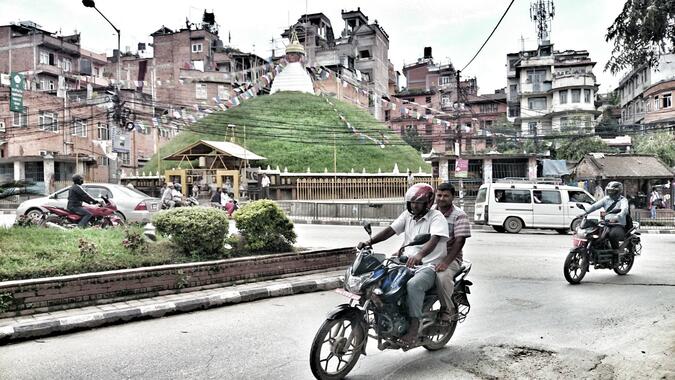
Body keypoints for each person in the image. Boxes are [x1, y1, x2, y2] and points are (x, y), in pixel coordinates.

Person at [357, 183, 449, 345]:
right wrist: (369, 241)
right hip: (405, 262)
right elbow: (390, 230)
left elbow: (434, 240)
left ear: (428, 203)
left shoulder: (436, 217)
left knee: (413, 285)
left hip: (428, 265)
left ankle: (414, 326)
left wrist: (420, 255)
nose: (414, 205)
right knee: (380, 278)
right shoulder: (407, 215)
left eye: (418, 203)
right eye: (412, 202)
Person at [433, 182, 471, 323]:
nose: (442, 198)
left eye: (446, 196)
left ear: (453, 197)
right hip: (428, 256)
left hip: (451, 258)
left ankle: (447, 309)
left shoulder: (459, 215)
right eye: (439, 195)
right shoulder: (430, 212)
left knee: (442, 277)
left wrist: (446, 262)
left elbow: (459, 241)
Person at [584, 181, 629, 250]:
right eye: (609, 191)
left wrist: (617, 217)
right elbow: (594, 206)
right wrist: (585, 212)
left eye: (612, 191)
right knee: (595, 234)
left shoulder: (623, 200)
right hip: (606, 224)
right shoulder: (606, 199)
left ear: (619, 191)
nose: (610, 193)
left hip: (618, 225)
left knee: (612, 235)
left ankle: (615, 254)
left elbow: (624, 210)